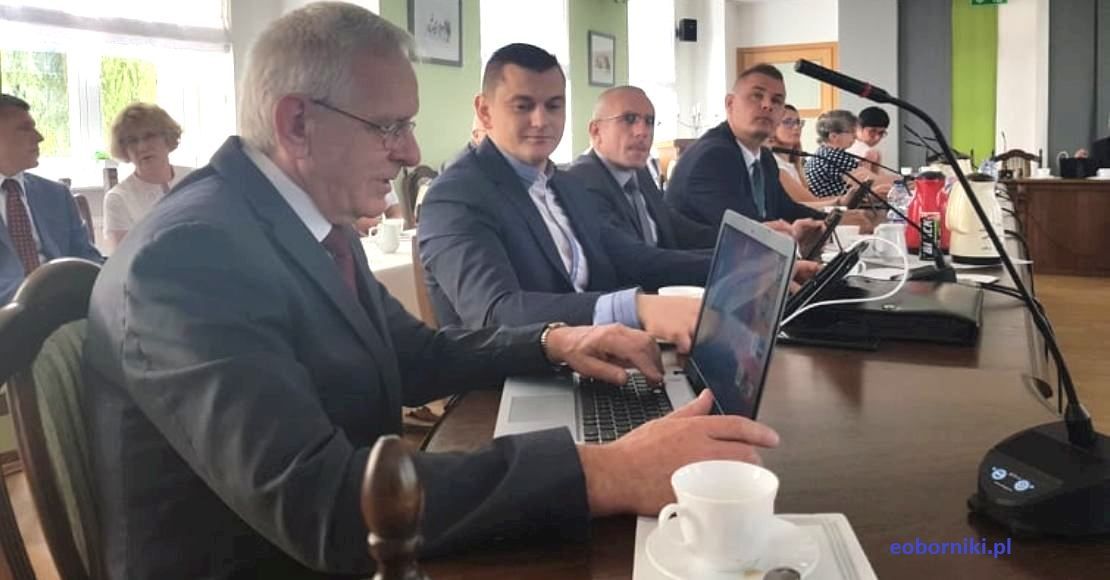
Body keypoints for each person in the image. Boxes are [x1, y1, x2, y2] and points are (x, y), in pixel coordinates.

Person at [82, 5, 779, 578]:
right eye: (390, 127)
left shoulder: (304, 220)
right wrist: (607, 471)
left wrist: (553, 341)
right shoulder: (188, 257)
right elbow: (323, 507)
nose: (412, 153)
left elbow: (413, 353)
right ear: (297, 123)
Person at [419, 43, 722, 348]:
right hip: (512, 372)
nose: (541, 120)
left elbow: (632, 258)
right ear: (485, 112)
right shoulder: (454, 196)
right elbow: (496, 314)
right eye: (523, 106)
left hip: (603, 356)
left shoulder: (567, 186)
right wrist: (636, 308)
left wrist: (734, 264)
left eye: (554, 106)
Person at [663, 64, 827, 238]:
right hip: (706, 254)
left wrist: (831, 222)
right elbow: (747, 229)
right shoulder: (713, 156)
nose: (767, 105)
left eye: (776, 101)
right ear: (730, 104)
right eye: (757, 96)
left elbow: (786, 209)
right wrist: (794, 235)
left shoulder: (765, 158)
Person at [565, 86, 717, 249]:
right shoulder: (582, 181)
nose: (643, 132)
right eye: (629, 119)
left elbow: (672, 224)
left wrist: (728, 243)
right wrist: (717, 260)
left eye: (649, 121)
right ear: (596, 131)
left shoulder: (639, 173)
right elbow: (635, 257)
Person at [0, 93, 103, 303]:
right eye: (25, 129)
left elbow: (87, 259)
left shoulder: (56, 195)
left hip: (64, 305)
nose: (39, 137)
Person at [102, 103, 193, 250]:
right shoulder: (118, 198)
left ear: (167, 138)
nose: (142, 147)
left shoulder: (196, 179)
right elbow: (124, 259)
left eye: (149, 136)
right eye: (132, 140)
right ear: (124, 149)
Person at [767, 104, 851, 208]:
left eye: (798, 122)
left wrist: (846, 198)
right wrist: (841, 201)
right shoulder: (776, 164)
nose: (797, 127)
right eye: (788, 122)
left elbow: (813, 200)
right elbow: (811, 202)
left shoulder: (793, 163)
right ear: (772, 127)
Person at [804, 109, 866, 199]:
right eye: (852, 132)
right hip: (837, 206)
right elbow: (868, 182)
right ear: (833, 136)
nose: (855, 136)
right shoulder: (836, 157)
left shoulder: (822, 152)